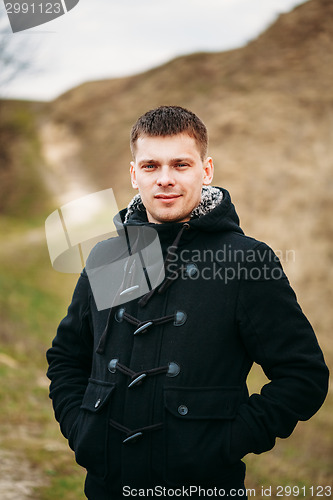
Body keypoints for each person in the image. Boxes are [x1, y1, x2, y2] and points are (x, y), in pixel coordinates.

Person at [46, 105, 329, 499]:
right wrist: (82, 430)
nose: (165, 179)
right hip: (107, 487)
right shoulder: (109, 257)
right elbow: (65, 358)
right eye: (150, 166)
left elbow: (303, 376)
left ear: (206, 170)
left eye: (180, 164)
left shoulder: (245, 261)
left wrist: (224, 443)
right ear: (134, 174)